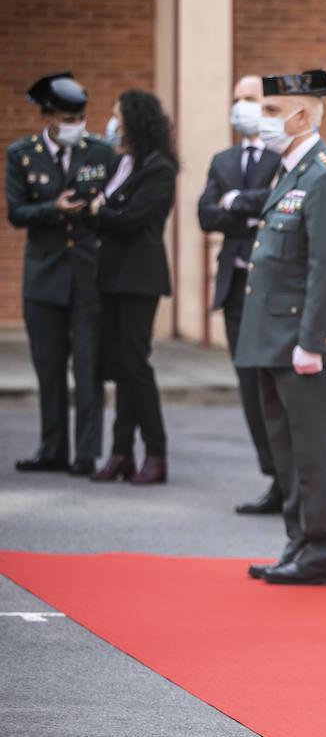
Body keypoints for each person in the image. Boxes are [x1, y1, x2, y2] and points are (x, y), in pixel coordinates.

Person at [235, 69, 326, 586]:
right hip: (274, 340)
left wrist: (312, 341)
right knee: (286, 450)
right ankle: (297, 542)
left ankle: (320, 552)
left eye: (269, 111)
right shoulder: (291, 170)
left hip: (306, 343)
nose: (259, 120)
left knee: (314, 452)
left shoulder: (325, 175)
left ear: (301, 114)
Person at [6, 73, 113, 476]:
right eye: (67, 118)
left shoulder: (100, 151)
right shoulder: (23, 153)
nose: (74, 125)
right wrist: (54, 208)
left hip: (87, 274)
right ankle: (52, 448)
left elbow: (115, 196)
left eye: (79, 117)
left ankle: (85, 454)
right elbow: (16, 213)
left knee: (87, 369)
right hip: (44, 277)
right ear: (48, 116)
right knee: (48, 369)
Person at [196, 75, 283, 512]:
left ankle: (290, 479)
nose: (241, 106)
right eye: (237, 99)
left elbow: (274, 203)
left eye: (250, 99)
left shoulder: (283, 155)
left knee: (274, 388)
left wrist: (237, 203)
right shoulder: (223, 159)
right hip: (233, 291)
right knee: (249, 390)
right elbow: (206, 214)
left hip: (268, 289)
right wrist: (243, 209)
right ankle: (273, 477)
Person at [87, 90, 177, 484]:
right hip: (111, 276)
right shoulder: (124, 162)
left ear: (136, 119)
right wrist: (102, 211)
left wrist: (99, 211)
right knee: (120, 366)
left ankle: (156, 453)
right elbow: (110, 211)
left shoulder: (161, 169)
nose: (113, 122)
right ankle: (121, 451)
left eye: (118, 115)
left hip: (139, 277)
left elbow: (129, 219)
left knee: (135, 364)